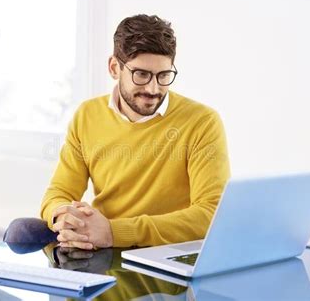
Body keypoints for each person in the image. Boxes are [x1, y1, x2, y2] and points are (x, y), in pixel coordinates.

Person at [40, 14, 230, 250]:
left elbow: (211, 214)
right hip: (102, 253)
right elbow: (59, 191)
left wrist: (115, 232)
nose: (153, 88)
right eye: (141, 74)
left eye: (163, 76)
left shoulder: (202, 122)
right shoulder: (87, 115)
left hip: (166, 253)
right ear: (114, 68)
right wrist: (63, 216)